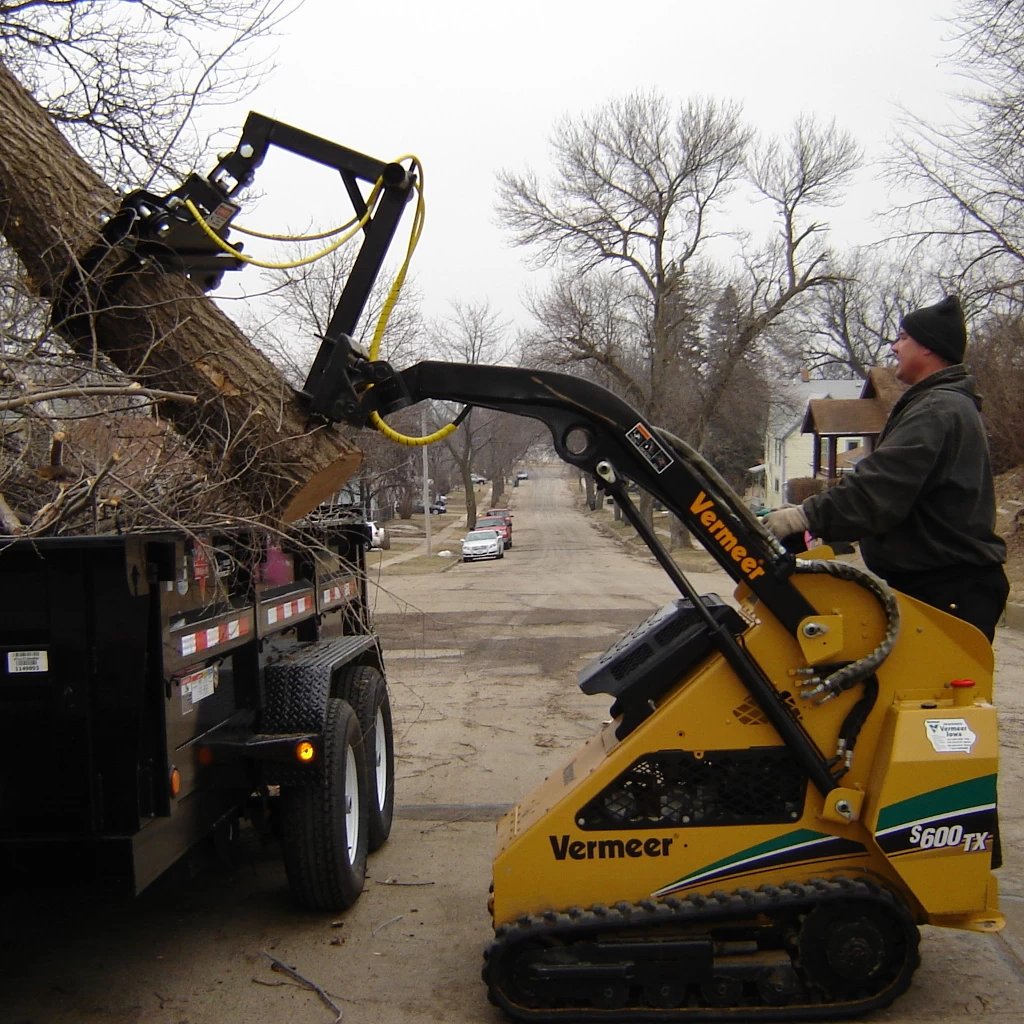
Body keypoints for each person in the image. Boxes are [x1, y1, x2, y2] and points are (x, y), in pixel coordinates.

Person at [764, 295, 1009, 641]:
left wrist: (804, 517)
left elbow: (879, 488)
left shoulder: (937, 410)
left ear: (928, 348)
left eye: (903, 338)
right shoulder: (940, 405)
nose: (894, 347)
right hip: (943, 585)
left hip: (948, 591)